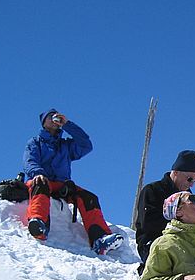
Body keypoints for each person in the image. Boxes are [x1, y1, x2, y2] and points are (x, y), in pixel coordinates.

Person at [23, 109, 123, 255]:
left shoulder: (65, 145)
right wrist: (37, 173)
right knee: (41, 183)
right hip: (41, 180)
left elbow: (86, 145)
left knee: (88, 197)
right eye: (50, 117)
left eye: (56, 116)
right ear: (43, 122)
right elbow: (29, 160)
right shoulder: (35, 142)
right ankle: (39, 224)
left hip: (61, 184)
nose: (54, 119)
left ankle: (100, 238)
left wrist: (68, 124)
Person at [134, 150, 195, 264]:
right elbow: (148, 223)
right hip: (156, 242)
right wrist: (184, 222)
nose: (191, 184)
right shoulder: (152, 190)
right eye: (190, 179)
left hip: (185, 242)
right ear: (175, 172)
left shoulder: (190, 198)